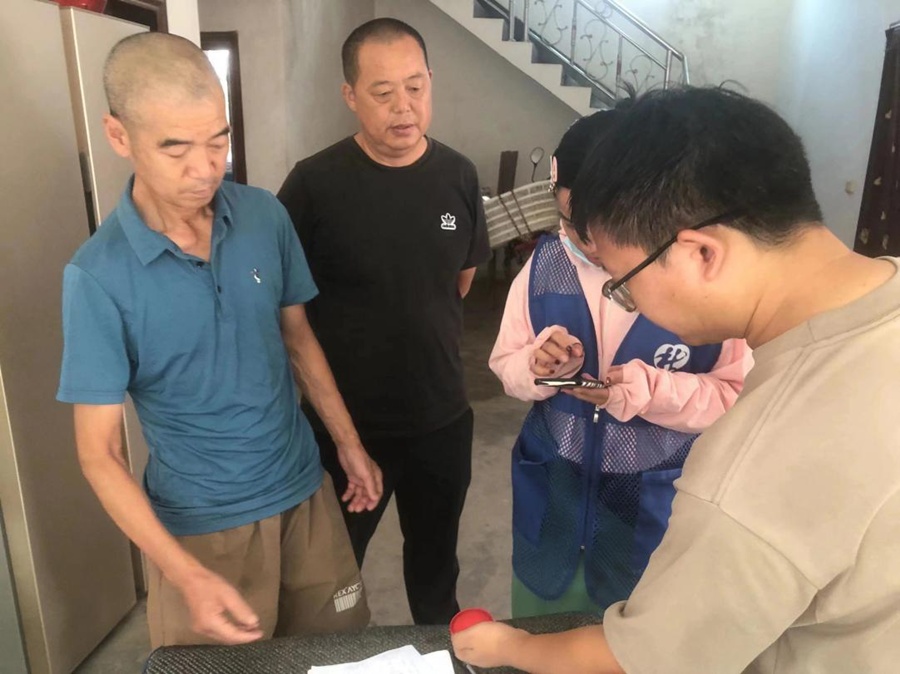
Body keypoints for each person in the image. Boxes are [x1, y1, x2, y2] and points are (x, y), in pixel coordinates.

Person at [452, 85, 900, 673]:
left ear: (700, 253)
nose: (625, 299)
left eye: (624, 281)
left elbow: (651, 659)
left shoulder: (755, 464)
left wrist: (510, 648)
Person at [57, 33, 380, 648]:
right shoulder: (97, 277)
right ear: (119, 136)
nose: (205, 168)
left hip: (304, 493)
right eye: (175, 147)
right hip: (202, 530)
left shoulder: (264, 215)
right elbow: (99, 454)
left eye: (218, 140)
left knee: (335, 654)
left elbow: (298, 340)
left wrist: (348, 444)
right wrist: (183, 574)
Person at [490, 105, 752, 619]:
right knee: (542, 631)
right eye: (572, 222)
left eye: (604, 224)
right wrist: (539, 368)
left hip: (648, 513)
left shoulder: (702, 280)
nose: (588, 244)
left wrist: (643, 390)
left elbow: (736, 395)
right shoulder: (544, 266)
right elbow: (506, 364)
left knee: (636, 635)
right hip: (554, 498)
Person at [277, 18, 491, 625]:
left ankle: (439, 656)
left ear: (431, 83)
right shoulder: (313, 185)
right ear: (350, 95)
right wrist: (344, 439)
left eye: (416, 87)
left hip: (441, 419)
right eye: (383, 92)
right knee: (329, 586)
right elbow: (288, 317)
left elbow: (460, 279)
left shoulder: (458, 175)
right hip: (345, 429)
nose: (404, 107)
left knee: (436, 575)